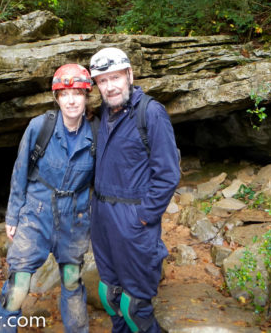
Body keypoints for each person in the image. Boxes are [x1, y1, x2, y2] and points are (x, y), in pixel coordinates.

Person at [0, 64, 95, 333]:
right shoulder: (40, 127)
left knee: (72, 280)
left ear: (87, 96)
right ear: (56, 97)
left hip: (75, 217)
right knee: (18, 285)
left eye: (77, 93)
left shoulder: (96, 134)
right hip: (36, 214)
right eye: (64, 94)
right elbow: (20, 170)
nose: (71, 100)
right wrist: (13, 215)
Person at [89, 47, 180, 333]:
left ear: (130, 74)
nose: (110, 86)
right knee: (110, 295)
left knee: (135, 306)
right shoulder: (103, 113)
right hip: (102, 218)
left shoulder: (150, 112)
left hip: (132, 220)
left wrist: (143, 217)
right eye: (102, 81)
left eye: (115, 77)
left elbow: (167, 173)